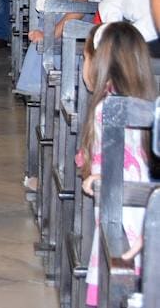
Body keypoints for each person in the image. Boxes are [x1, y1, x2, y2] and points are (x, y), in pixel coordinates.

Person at [78, 22, 153, 306]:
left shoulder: (106, 109)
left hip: (124, 227)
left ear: (99, 63)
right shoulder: (142, 101)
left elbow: (120, 170)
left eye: (85, 58)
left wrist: (98, 176)